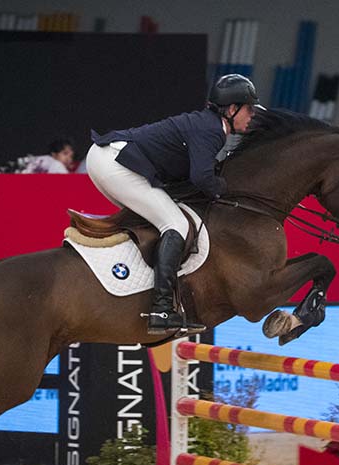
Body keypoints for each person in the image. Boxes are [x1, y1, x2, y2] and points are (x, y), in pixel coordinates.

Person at [87, 74, 263, 335]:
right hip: (118, 164)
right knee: (176, 224)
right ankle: (161, 308)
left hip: (106, 159)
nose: (252, 115)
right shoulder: (212, 130)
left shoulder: (207, 124)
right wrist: (228, 191)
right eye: (249, 108)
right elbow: (202, 178)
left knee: (159, 218)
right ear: (232, 109)